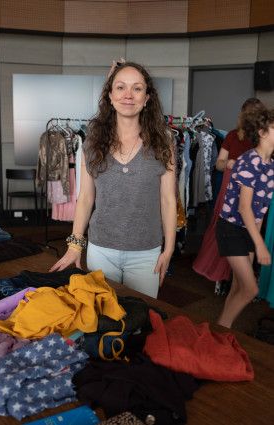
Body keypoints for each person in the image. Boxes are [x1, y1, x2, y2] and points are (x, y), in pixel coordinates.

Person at [49, 61, 177, 298]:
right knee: (103, 320)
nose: (128, 95)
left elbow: (169, 200)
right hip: (101, 250)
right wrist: (75, 245)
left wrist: (168, 249)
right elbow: (86, 198)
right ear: (110, 95)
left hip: (146, 252)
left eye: (137, 88)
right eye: (120, 87)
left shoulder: (164, 141)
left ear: (147, 97)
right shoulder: (92, 142)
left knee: (139, 320)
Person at [193, 98, 265, 283]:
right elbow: (218, 164)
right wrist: (228, 163)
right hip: (230, 190)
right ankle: (225, 275)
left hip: (255, 192)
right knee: (225, 229)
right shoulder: (233, 136)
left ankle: (243, 278)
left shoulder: (265, 138)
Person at [215, 106, 274, 328]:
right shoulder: (249, 161)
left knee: (239, 287)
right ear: (262, 132)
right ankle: (220, 331)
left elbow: (261, 209)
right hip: (230, 228)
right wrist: (259, 245)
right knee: (251, 289)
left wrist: (254, 238)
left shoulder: (271, 167)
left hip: (247, 231)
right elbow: (244, 207)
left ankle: (222, 330)